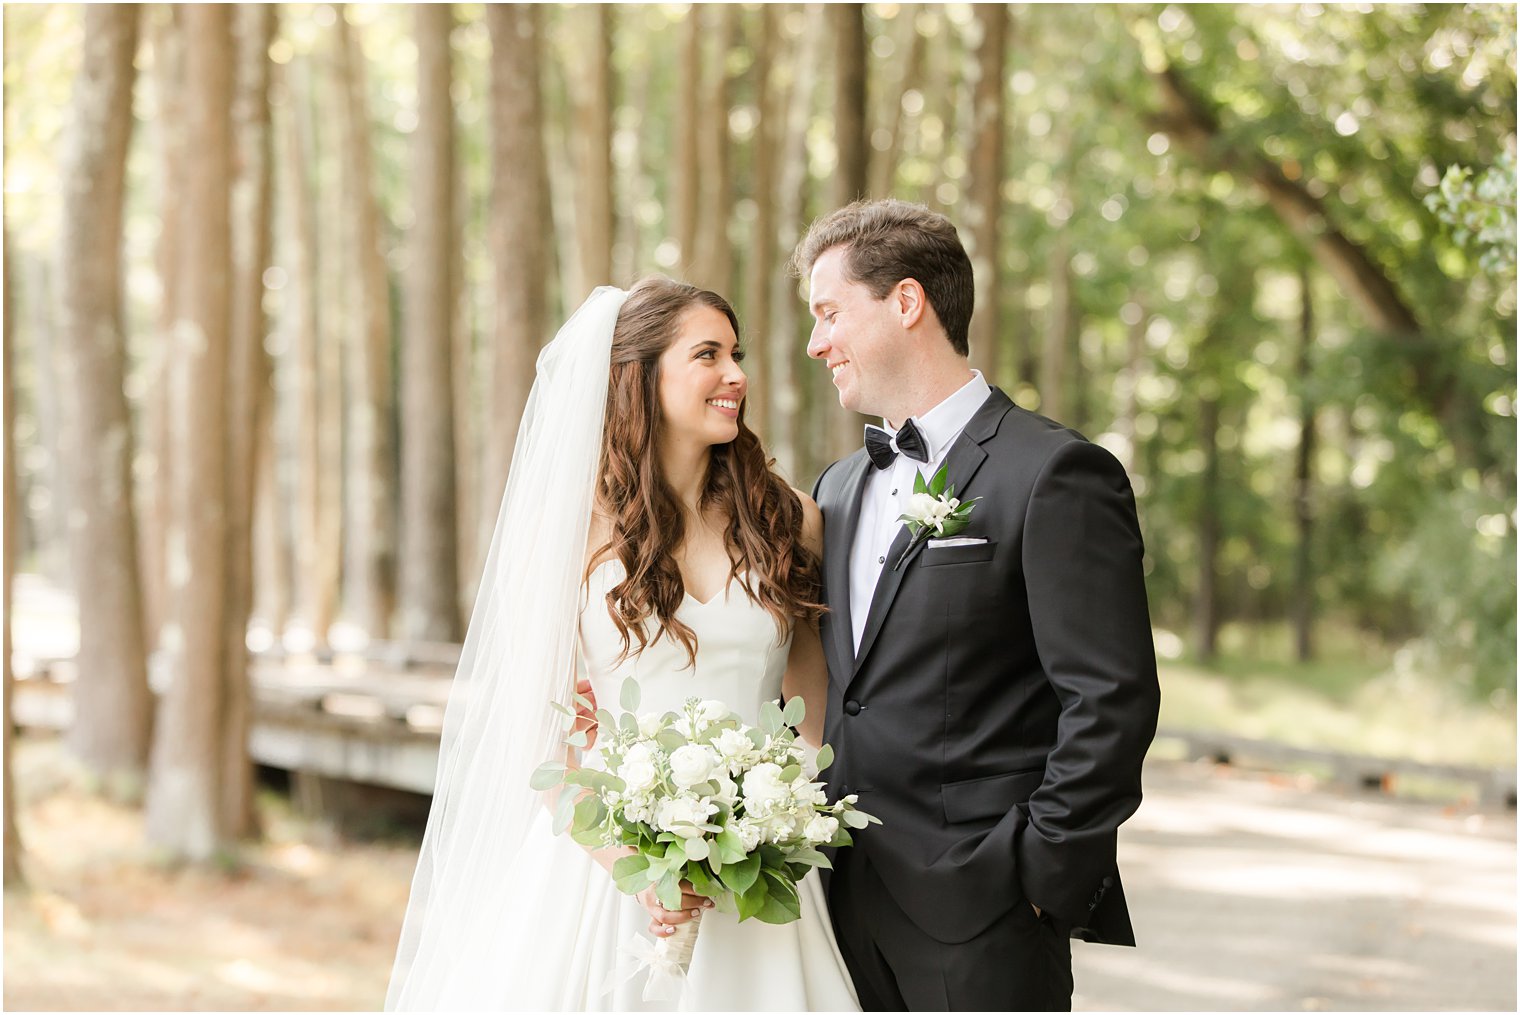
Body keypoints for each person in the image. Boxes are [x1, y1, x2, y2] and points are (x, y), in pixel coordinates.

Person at [386, 278, 859, 1011]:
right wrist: (636, 866)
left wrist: (773, 819)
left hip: (758, 876)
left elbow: (809, 689)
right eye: (708, 354)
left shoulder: (787, 517)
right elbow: (545, 737)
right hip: (606, 875)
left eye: (736, 354)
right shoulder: (570, 532)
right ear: (639, 377)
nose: (736, 375)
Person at [794, 199, 1161, 1011]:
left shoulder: (1056, 473)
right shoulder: (837, 489)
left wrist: (1038, 876)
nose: (817, 342)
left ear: (906, 301)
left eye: (828, 313)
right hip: (836, 908)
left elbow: (1111, 700)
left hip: (988, 914)